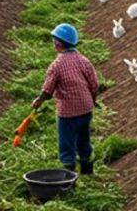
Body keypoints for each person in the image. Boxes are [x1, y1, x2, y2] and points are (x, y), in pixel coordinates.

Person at [31, 23, 101, 174]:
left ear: (58, 45)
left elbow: (48, 90)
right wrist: (93, 101)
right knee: (83, 138)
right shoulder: (84, 61)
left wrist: (39, 100)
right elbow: (94, 85)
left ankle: (69, 171)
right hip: (85, 109)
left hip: (67, 113)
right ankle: (87, 168)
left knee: (66, 141)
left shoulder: (56, 66)